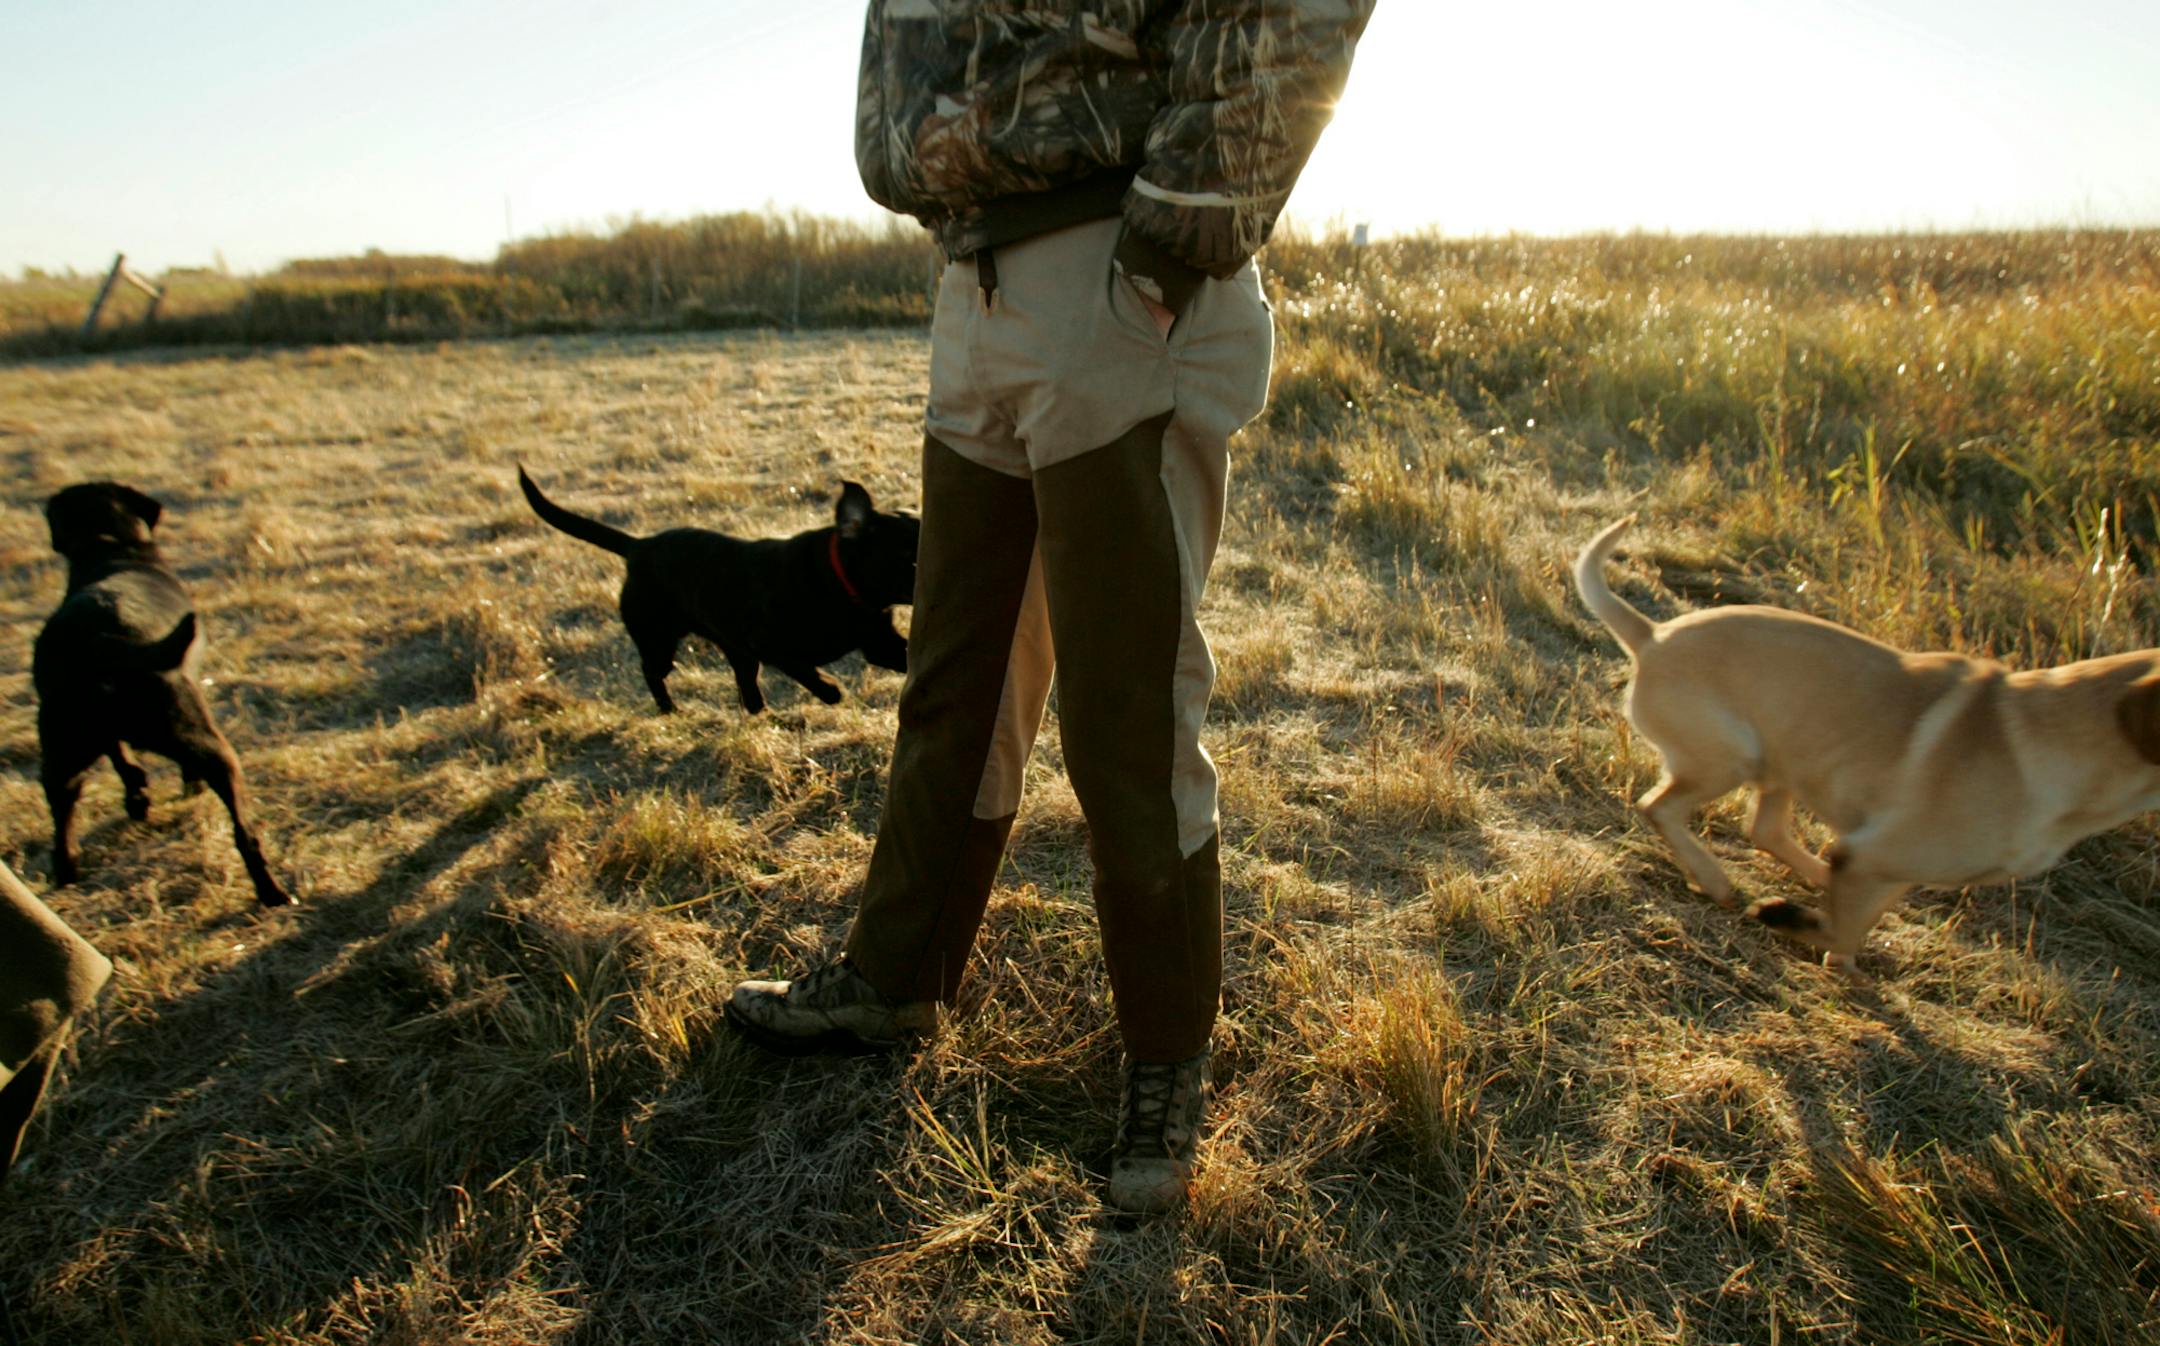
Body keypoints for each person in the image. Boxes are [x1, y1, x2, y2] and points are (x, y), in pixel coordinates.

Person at [727, 0, 1374, 1214]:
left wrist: (1174, 243)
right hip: (975, 284)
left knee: (1128, 709)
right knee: (957, 675)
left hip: (1116, 279)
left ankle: (1166, 1064)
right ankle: (896, 977)